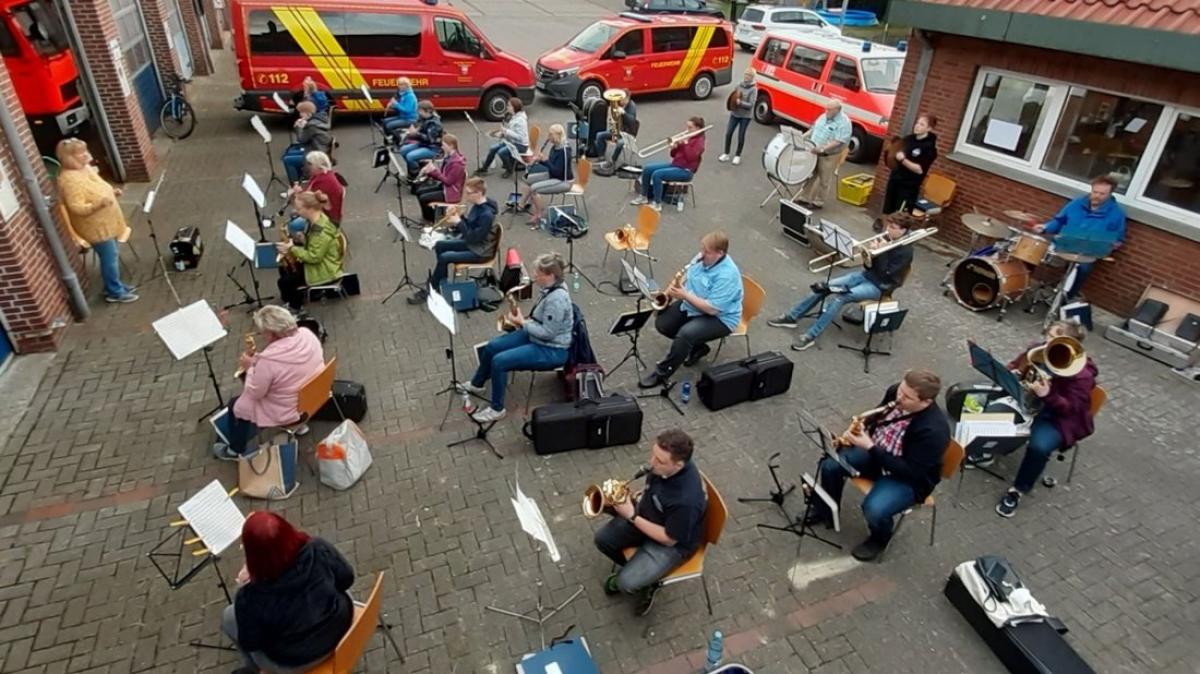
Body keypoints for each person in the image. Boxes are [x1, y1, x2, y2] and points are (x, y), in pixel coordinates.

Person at [808, 370, 950, 562]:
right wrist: (860, 429)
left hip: (906, 479)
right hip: (878, 454)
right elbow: (877, 417)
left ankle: (879, 539)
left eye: (907, 397)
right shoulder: (895, 393)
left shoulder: (934, 431)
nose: (899, 399)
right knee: (831, 465)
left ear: (926, 402)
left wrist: (869, 447)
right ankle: (825, 510)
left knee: (874, 509)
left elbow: (911, 471)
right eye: (900, 390)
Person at [222, 511, 354, 674]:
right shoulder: (317, 548)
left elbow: (252, 643)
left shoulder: (250, 596)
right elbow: (347, 579)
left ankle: (255, 670)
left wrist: (244, 586)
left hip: (296, 660)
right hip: (341, 627)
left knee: (229, 617)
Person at [593, 429, 706, 616]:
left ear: (678, 465)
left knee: (625, 584)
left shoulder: (687, 500)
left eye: (660, 461)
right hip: (648, 517)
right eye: (653, 454)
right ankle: (641, 570)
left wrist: (631, 515)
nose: (651, 463)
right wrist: (630, 498)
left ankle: (649, 582)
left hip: (671, 544)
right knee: (602, 539)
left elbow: (669, 539)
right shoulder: (662, 469)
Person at [992, 320, 1097, 518]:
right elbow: (1017, 364)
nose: (1047, 342)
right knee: (994, 408)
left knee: (1039, 447)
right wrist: (1012, 370)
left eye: (1053, 339)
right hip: (1030, 401)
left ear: (1070, 344)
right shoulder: (1037, 351)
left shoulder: (1082, 375)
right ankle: (989, 449)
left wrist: (1047, 394)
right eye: (1048, 336)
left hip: (1056, 417)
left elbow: (1071, 408)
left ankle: (1018, 490)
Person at [768, 214, 914, 351]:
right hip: (865, 276)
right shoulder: (887, 240)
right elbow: (869, 266)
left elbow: (885, 274)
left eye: (893, 228)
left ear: (903, 230)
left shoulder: (906, 252)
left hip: (879, 287)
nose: (888, 230)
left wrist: (880, 253)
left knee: (841, 297)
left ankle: (811, 336)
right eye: (888, 226)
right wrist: (868, 256)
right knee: (825, 286)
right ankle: (792, 317)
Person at [460, 253, 573, 423]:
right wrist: (525, 321)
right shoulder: (552, 286)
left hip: (552, 348)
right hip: (537, 336)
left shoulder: (557, 299)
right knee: (492, 347)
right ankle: (477, 384)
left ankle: (497, 409)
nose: (534, 276)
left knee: (499, 361)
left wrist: (522, 323)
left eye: (538, 273)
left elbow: (549, 333)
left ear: (550, 275)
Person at [212, 306, 324, 460]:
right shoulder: (306, 333)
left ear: (271, 334)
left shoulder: (268, 360)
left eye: (263, 332)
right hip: (314, 396)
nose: (262, 336)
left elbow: (255, 393)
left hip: (289, 410)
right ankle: (300, 427)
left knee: (237, 404)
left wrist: (250, 368)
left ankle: (235, 449)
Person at [639, 231, 743, 389]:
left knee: (685, 335)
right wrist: (667, 295)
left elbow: (712, 309)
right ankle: (697, 347)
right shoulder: (701, 257)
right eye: (702, 249)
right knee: (663, 323)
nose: (701, 254)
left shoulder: (727, 275)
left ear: (720, 253)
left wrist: (685, 295)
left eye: (706, 252)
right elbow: (683, 276)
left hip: (720, 318)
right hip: (694, 304)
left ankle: (662, 373)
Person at [54, 138, 138, 304]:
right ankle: (114, 292)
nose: (85, 155)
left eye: (85, 150)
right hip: (96, 227)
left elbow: (99, 188)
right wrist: (98, 205)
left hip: (108, 222)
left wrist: (112, 192)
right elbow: (76, 207)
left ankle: (115, 285)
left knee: (112, 255)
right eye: (80, 153)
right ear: (69, 157)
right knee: (110, 258)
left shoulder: (85, 169)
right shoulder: (69, 180)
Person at [1033, 175, 1127, 299]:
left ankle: (1065, 298)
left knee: (1083, 269)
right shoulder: (1076, 204)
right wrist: (1045, 227)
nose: (1097, 196)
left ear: (1110, 194)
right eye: (1095, 192)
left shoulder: (1117, 214)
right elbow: (1059, 221)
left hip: (1087, 252)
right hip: (1064, 244)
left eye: (1102, 194)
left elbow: (1118, 238)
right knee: (1035, 250)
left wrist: (1112, 244)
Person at [408, 177, 499, 304]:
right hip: (474, 244)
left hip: (480, 251)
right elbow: (471, 227)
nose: (466, 196)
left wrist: (459, 222)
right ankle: (440, 280)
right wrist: (460, 216)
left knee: (445, 257)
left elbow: (473, 237)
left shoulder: (486, 215)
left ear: (478, 193)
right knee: (440, 245)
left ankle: (432, 290)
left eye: (469, 193)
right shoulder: (480, 205)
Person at [276, 191, 344, 311]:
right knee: (284, 269)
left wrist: (291, 248)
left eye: (298, 208)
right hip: (321, 262)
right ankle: (296, 297)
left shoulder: (320, 232)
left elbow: (314, 257)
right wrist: (303, 239)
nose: (296, 211)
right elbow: (315, 246)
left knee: (284, 282)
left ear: (309, 208)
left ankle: (295, 307)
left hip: (324, 271)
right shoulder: (315, 220)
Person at [631, 116, 706, 212]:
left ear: (698, 128)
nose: (687, 130)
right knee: (647, 169)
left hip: (685, 171)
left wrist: (685, 143)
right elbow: (673, 155)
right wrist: (674, 147)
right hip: (676, 165)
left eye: (690, 128)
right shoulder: (688, 138)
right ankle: (643, 196)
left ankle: (657, 203)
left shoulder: (699, 142)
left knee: (657, 175)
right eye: (687, 127)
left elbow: (691, 157)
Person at [794, 100, 852, 209]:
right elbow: (813, 129)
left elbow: (839, 141)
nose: (826, 111)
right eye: (826, 108)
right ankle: (804, 197)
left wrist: (822, 149)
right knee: (810, 174)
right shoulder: (823, 116)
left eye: (829, 109)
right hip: (814, 150)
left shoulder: (844, 123)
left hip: (829, 155)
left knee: (824, 178)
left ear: (837, 110)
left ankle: (818, 201)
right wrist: (802, 138)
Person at [882, 114, 939, 214]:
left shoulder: (929, 148)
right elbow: (895, 153)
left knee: (900, 215)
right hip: (895, 180)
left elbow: (919, 169)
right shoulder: (908, 139)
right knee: (887, 210)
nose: (917, 126)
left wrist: (903, 160)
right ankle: (885, 227)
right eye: (917, 123)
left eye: (922, 124)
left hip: (908, 187)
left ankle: (897, 229)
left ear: (929, 128)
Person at [519, 123, 573, 227]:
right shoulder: (555, 147)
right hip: (553, 175)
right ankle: (521, 205)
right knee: (527, 179)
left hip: (564, 181)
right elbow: (551, 165)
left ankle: (538, 215)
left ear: (557, 135)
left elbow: (558, 172)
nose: (548, 137)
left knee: (534, 189)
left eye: (550, 135)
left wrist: (545, 160)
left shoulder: (565, 151)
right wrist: (539, 160)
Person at [415, 133, 467, 223]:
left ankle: (430, 220)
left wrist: (433, 171)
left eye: (444, 145)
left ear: (451, 146)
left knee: (423, 198)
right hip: (445, 188)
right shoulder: (449, 158)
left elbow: (448, 181)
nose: (442, 147)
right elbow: (443, 175)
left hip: (451, 193)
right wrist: (430, 172)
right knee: (419, 192)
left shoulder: (456, 164)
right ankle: (428, 215)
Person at [286, 151, 344, 225]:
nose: (307, 167)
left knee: (293, 224)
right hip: (324, 213)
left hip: (328, 219)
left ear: (318, 166)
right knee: (294, 214)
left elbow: (309, 201)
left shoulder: (324, 181)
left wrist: (297, 193)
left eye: (310, 164)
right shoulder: (321, 175)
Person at [477, 97, 529, 179]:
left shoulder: (521, 120)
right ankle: (484, 168)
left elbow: (520, 137)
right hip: (511, 141)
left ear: (514, 107)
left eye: (509, 105)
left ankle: (509, 169)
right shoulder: (513, 116)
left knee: (501, 152)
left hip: (520, 145)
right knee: (493, 148)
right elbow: (511, 130)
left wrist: (505, 132)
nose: (507, 107)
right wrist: (502, 134)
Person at [282, 101, 332, 184]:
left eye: (302, 113)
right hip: (320, 149)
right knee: (291, 153)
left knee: (287, 159)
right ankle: (301, 176)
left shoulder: (311, 126)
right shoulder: (320, 120)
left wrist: (299, 127)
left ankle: (296, 184)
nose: (300, 115)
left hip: (315, 153)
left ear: (309, 114)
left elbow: (301, 140)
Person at [718, 68, 757, 165]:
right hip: (735, 114)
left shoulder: (753, 89)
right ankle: (726, 153)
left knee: (741, 135)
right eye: (746, 74)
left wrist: (741, 103)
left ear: (752, 77)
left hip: (745, 116)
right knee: (728, 133)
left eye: (749, 75)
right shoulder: (738, 85)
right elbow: (733, 97)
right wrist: (732, 103)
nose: (747, 76)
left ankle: (737, 155)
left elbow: (751, 105)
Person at [592, 90, 637, 169]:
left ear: (627, 98)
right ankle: (601, 157)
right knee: (599, 135)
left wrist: (624, 113)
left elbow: (632, 121)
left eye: (622, 99)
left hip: (628, 134)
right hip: (618, 131)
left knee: (620, 143)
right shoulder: (619, 104)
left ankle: (612, 161)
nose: (620, 100)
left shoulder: (631, 106)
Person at [398, 100, 444, 176]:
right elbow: (417, 125)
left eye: (420, 111)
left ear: (428, 111)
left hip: (433, 148)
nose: (418, 113)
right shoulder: (424, 118)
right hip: (423, 144)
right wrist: (412, 129)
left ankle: (417, 173)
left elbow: (430, 140)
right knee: (403, 150)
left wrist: (416, 134)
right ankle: (415, 168)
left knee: (410, 156)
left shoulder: (434, 124)